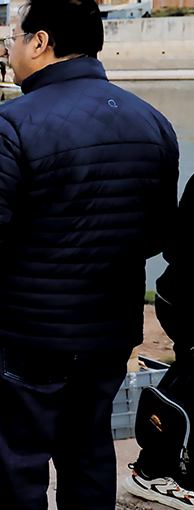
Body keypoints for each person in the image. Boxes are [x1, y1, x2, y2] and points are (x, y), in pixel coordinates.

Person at [0, 0, 179, 510]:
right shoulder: (154, 124)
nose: (13, 49)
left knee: (15, 461)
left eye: (16, 38)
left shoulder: (9, 125)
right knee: (88, 450)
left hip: (27, 331)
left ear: (41, 42)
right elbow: (159, 234)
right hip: (107, 330)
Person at [126, 175, 194, 506]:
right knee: (189, 380)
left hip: (178, 294)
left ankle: (156, 468)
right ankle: (156, 473)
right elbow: (175, 245)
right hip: (186, 298)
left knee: (187, 375)